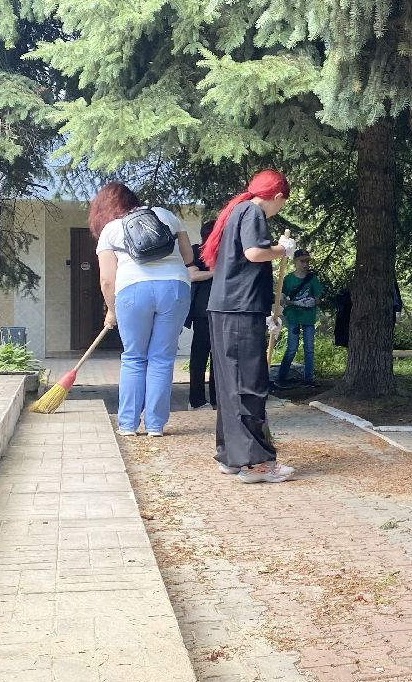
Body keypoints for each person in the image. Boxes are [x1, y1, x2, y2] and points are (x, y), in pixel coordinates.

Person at [201, 170, 299, 483]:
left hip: (230, 309)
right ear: (278, 197)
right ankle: (256, 463)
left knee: (231, 386)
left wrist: (266, 312)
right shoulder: (254, 212)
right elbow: (254, 253)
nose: (280, 209)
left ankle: (231, 456)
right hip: (240, 310)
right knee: (249, 384)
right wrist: (283, 250)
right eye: (282, 203)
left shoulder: (236, 212)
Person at [91, 183, 194, 438]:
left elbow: (107, 279)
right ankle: (155, 426)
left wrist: (111, 310)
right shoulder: (166, 215)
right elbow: (188, 256)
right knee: (162, 357)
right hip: (175, 287)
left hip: (132, 291)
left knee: (134, 357)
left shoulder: (110, 230)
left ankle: (127, 425)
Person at [276, 249, 324, 389]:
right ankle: (281, 378)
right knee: (292, 348)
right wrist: (292, 302)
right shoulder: (289, 279)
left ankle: (308, 379)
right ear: (295, 262)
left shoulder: (312, 279)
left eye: (307, 261)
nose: (305, 264)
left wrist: (313, 302)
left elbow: (318, 298)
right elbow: (282, 299)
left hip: (308, 318)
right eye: (302, 261)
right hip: (294, 318)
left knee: (309, 348)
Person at [186, 220, 217, 410]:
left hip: (222, 309)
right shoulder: (197, 251)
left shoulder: (225, 252)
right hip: (202, 310)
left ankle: (217, 398)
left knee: (218, 358)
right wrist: (215, 273)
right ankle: (196, 400)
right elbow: (192, 275)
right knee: (199, 356)